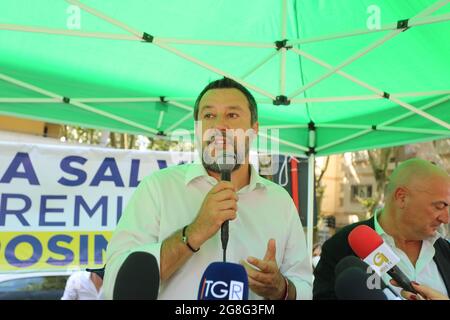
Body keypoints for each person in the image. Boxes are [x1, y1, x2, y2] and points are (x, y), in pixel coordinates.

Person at [103, 78, 312, 300]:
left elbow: (306, 287)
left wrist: (282, 289)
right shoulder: (158, 188)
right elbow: (115, 282)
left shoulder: (279, 200)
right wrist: (193, 233)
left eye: (232, 115)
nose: (219, 125)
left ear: (253, 129)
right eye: (209, 115)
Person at [313, 158, 450, 299]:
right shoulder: (341, 246)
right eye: (439, 206)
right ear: (402, 198)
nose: (446, 219)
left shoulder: (445, 251)